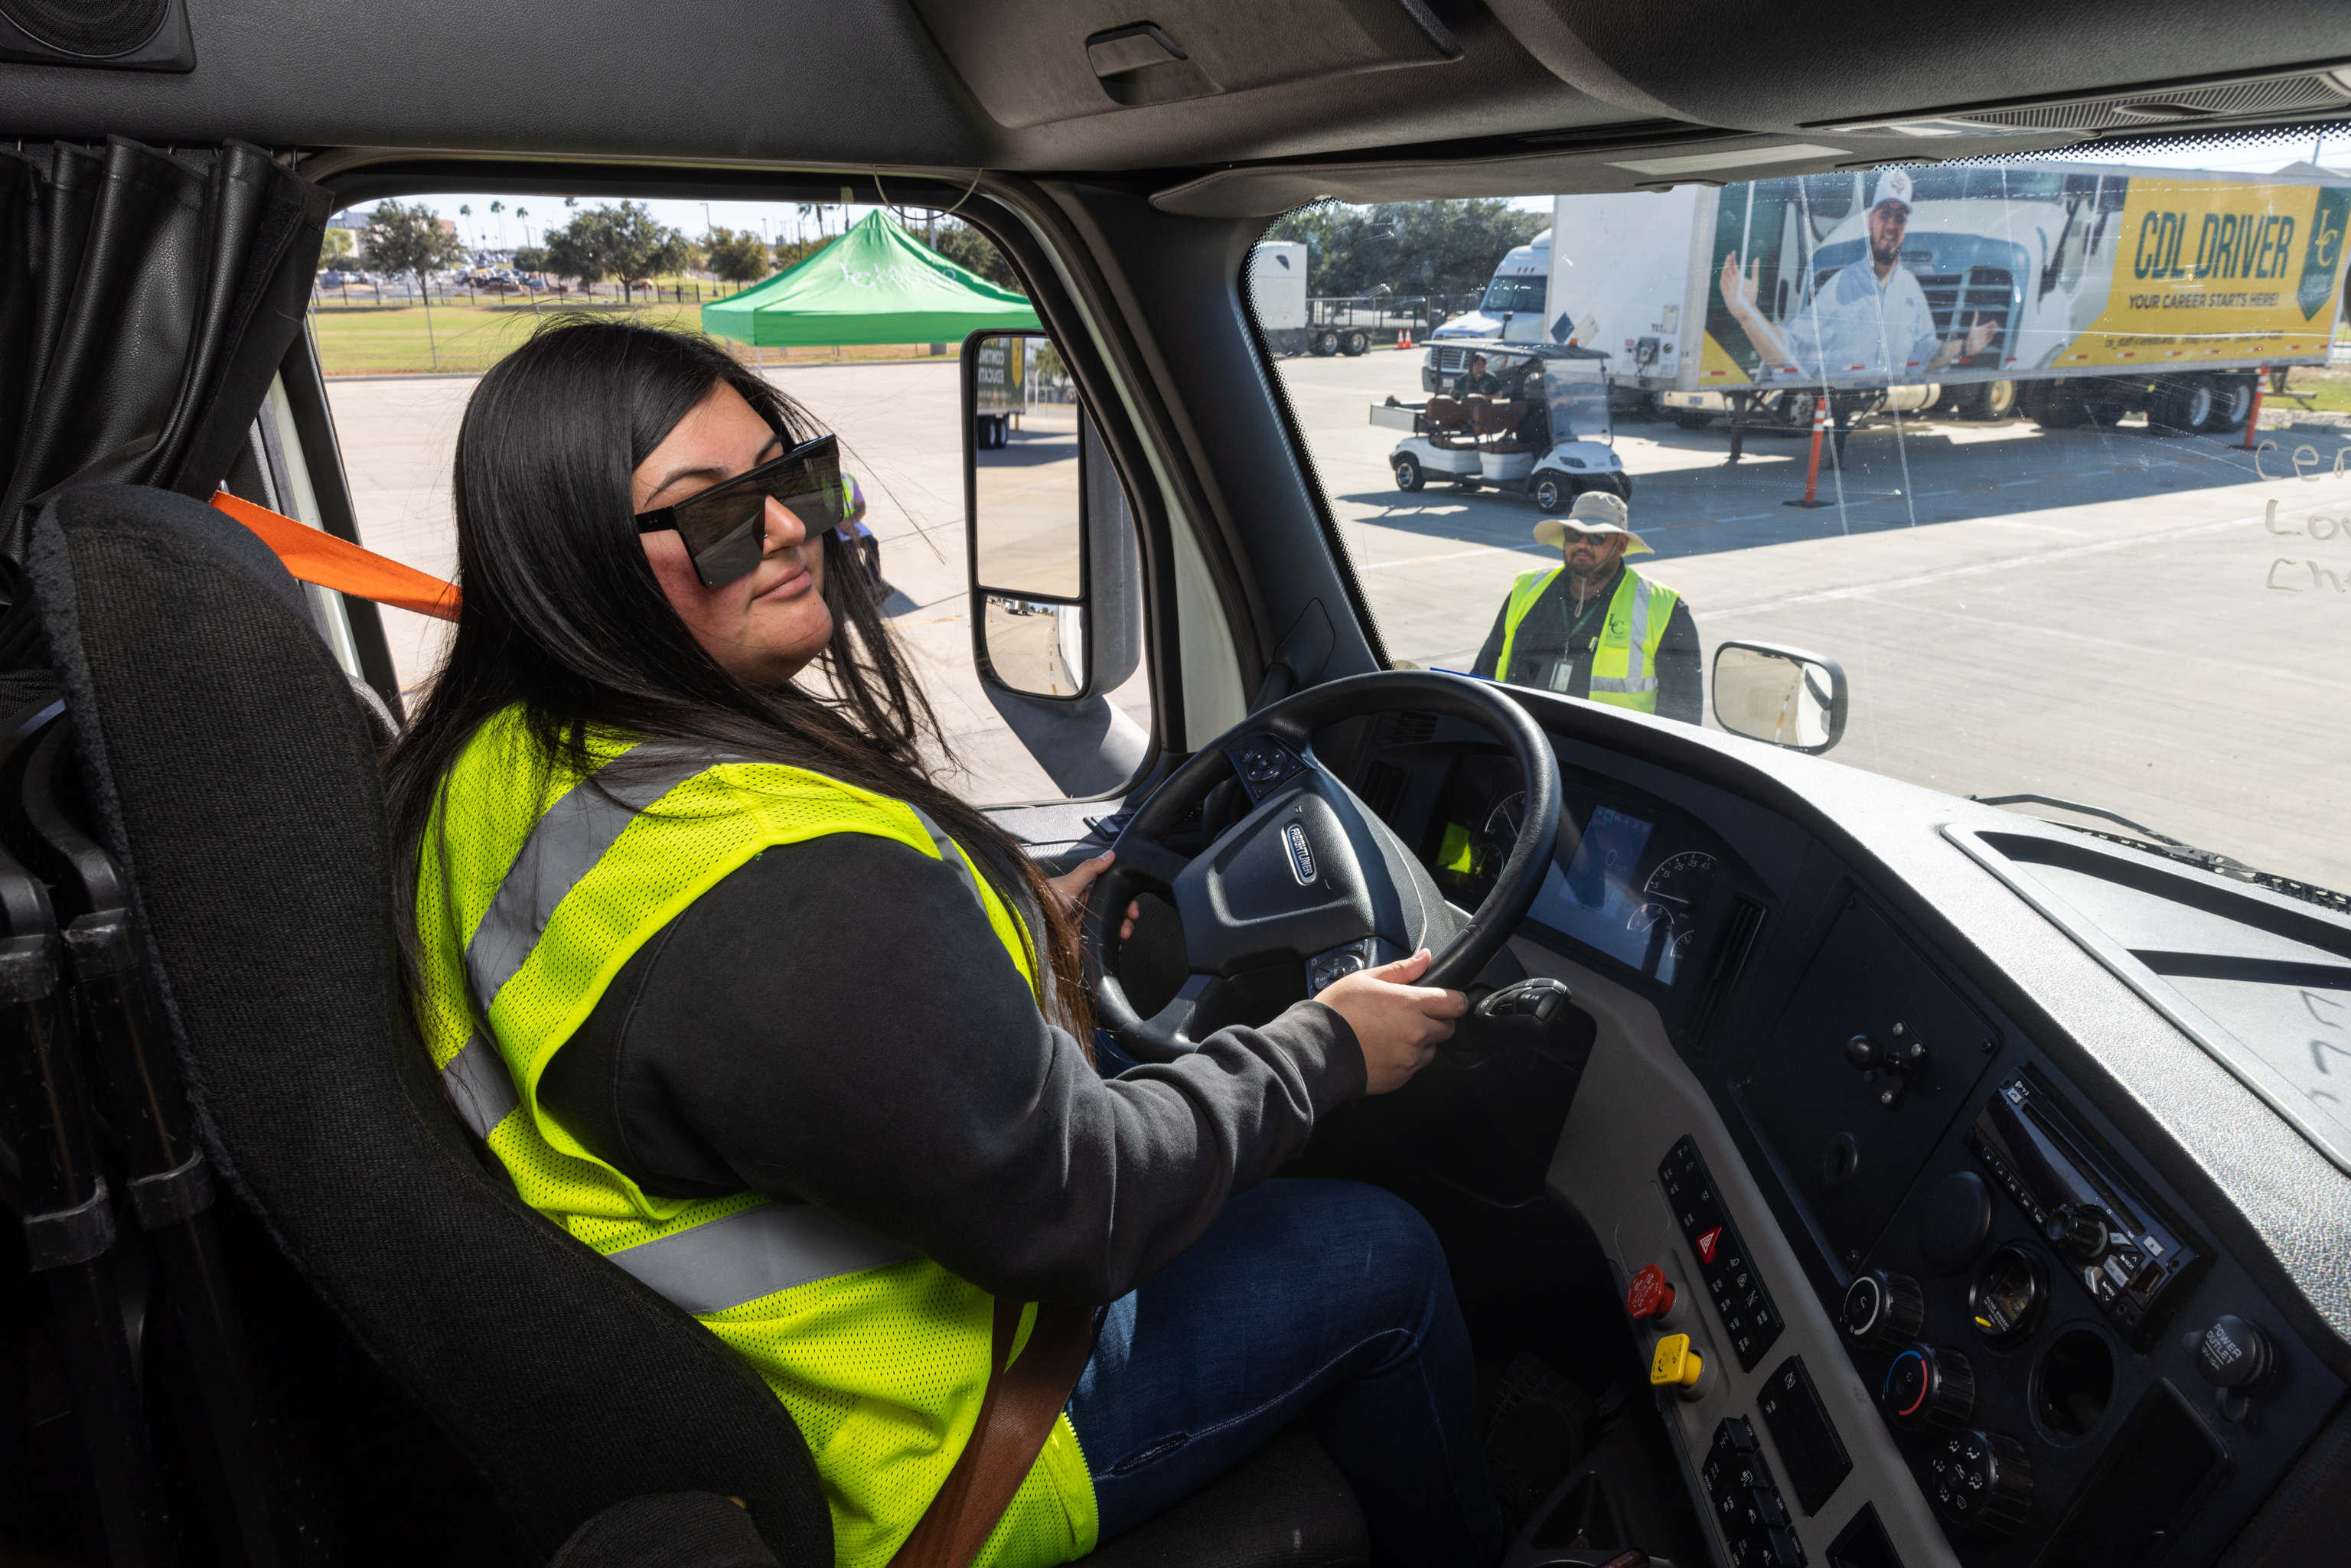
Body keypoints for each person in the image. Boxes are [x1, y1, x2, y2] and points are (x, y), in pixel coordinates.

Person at [383, 318, 1499, 1568]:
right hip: (930, 1448)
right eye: (716, 513)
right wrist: (1324, 1049)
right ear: (575, 560)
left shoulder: (491, 769)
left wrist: (1018, 922)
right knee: (1384, 1250)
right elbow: (1085, 1206)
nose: (792, 527)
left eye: (794, 475)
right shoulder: (771, 880)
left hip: (752, 1392)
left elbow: (791, 1020)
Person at [1717, 168, 1996, 383]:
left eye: (1899, 217)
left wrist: (1965, 346)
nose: (1892, 225)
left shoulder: (1911, 291)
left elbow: (1927, 356)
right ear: (1871, 220)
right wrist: (1748, 314)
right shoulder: (1841, 288)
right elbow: (1788, 353)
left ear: (1906, 226)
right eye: (1885, 214)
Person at [1470, 491, 1700, 724]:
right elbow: (1484, 672)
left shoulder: (1662, 607)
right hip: (1525, 741)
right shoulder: (1528, 589)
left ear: (1621, 544)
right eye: (1574, 534)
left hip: (1604, 746)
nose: (1582, 544)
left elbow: (1684, 714)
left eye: (1597, 537)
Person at [833, 470, 890, 603]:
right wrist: (845, 526)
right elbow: (822, 511)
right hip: (831, 525)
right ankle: (864, 584)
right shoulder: (819, 482)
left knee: (871, 543)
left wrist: (850, 522)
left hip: (851, 522)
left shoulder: (848, 479)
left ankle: (874, 582)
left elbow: (861, 507)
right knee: (850, 548)